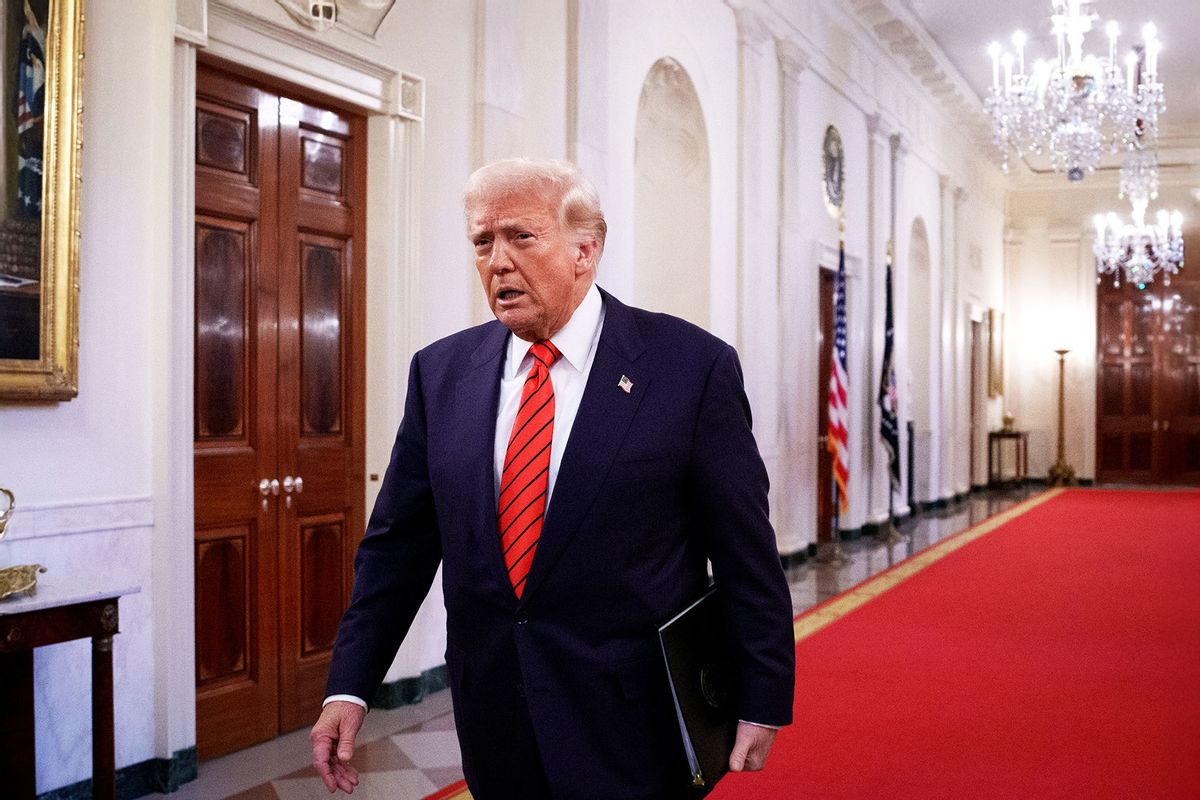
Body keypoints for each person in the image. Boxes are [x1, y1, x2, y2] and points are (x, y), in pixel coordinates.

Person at [310, 158, 795, 799]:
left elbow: (743, 551)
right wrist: (351, 684)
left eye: (521, 236)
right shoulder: (441, 374)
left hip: (634, 723)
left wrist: (761, 694)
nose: (497, 261)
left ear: (584, 251)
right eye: (482, 241)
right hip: (496, 721)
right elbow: (397, 548)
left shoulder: (689, 368)